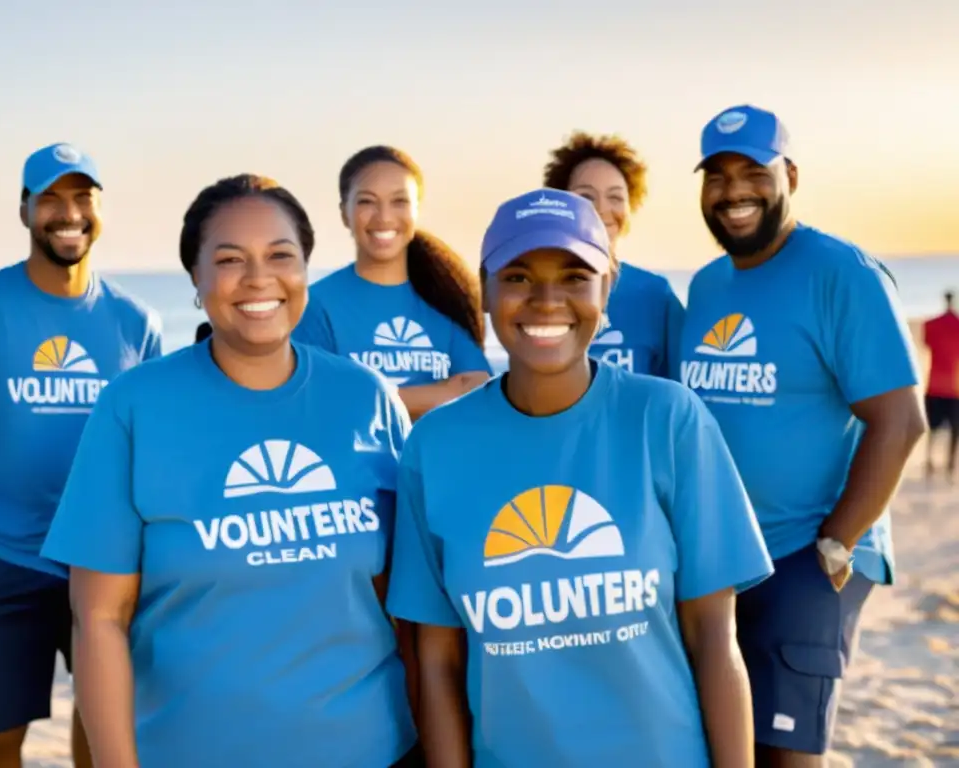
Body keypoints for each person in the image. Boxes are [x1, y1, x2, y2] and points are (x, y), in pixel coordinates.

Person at [38, 174, 420, 768]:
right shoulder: (133, 408)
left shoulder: (367, 399)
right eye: (230, 259)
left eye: (280, 256)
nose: (258, 278)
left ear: (306, 271)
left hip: (374, 750)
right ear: (195, 277)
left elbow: (408, 606)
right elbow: (99, 619)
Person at [386, 187, 774, 767]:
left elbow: (716, 640)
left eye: (574, 276)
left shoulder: (667, 419)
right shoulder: (435, 447)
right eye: (518, 277)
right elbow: (439, 662)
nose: (547, 301)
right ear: (486, 292)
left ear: (606, 289)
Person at [680, 104, 927, 765]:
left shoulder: (842, 273)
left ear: (789, 174)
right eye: (716, 176)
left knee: (787, 750)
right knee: (726, 740)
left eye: (752, 172)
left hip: (807, 554)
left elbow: (900, 421)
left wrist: (837, 543)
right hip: (724, 555)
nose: (732, 192)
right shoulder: (706, 287)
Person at [0, 142, 162, 768]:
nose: (69, 214)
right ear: (25, 210)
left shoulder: (135, 320)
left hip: (105, 560)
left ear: (99, 209)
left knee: (103, 724)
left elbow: (150, 445)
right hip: (3, 557)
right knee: (0, 737)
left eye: (82, 198)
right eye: (51, 200)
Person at [293, 145, 492, 419]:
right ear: (344, 213)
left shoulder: (445, 295)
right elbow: (316, 401)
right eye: (367, 201)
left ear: (417, 209)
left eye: (399, 201)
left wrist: (368, 397)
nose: (384, 216)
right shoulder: (316, 305)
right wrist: (441, 392)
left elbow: (479, 389)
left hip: (434, 461)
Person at [543, 130, 685, 377]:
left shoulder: (655, 296)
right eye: (586, 196)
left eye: (616, 197)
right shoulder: (539, 291)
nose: (602, 209)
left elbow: (682, 394)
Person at [922, 289, 959, 480]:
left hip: (935, 384)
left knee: (933, 428)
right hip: (954, 387)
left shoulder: (931, 325)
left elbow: (927, 343)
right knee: (955, 429)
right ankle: (950, 464)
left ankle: (929, 460)